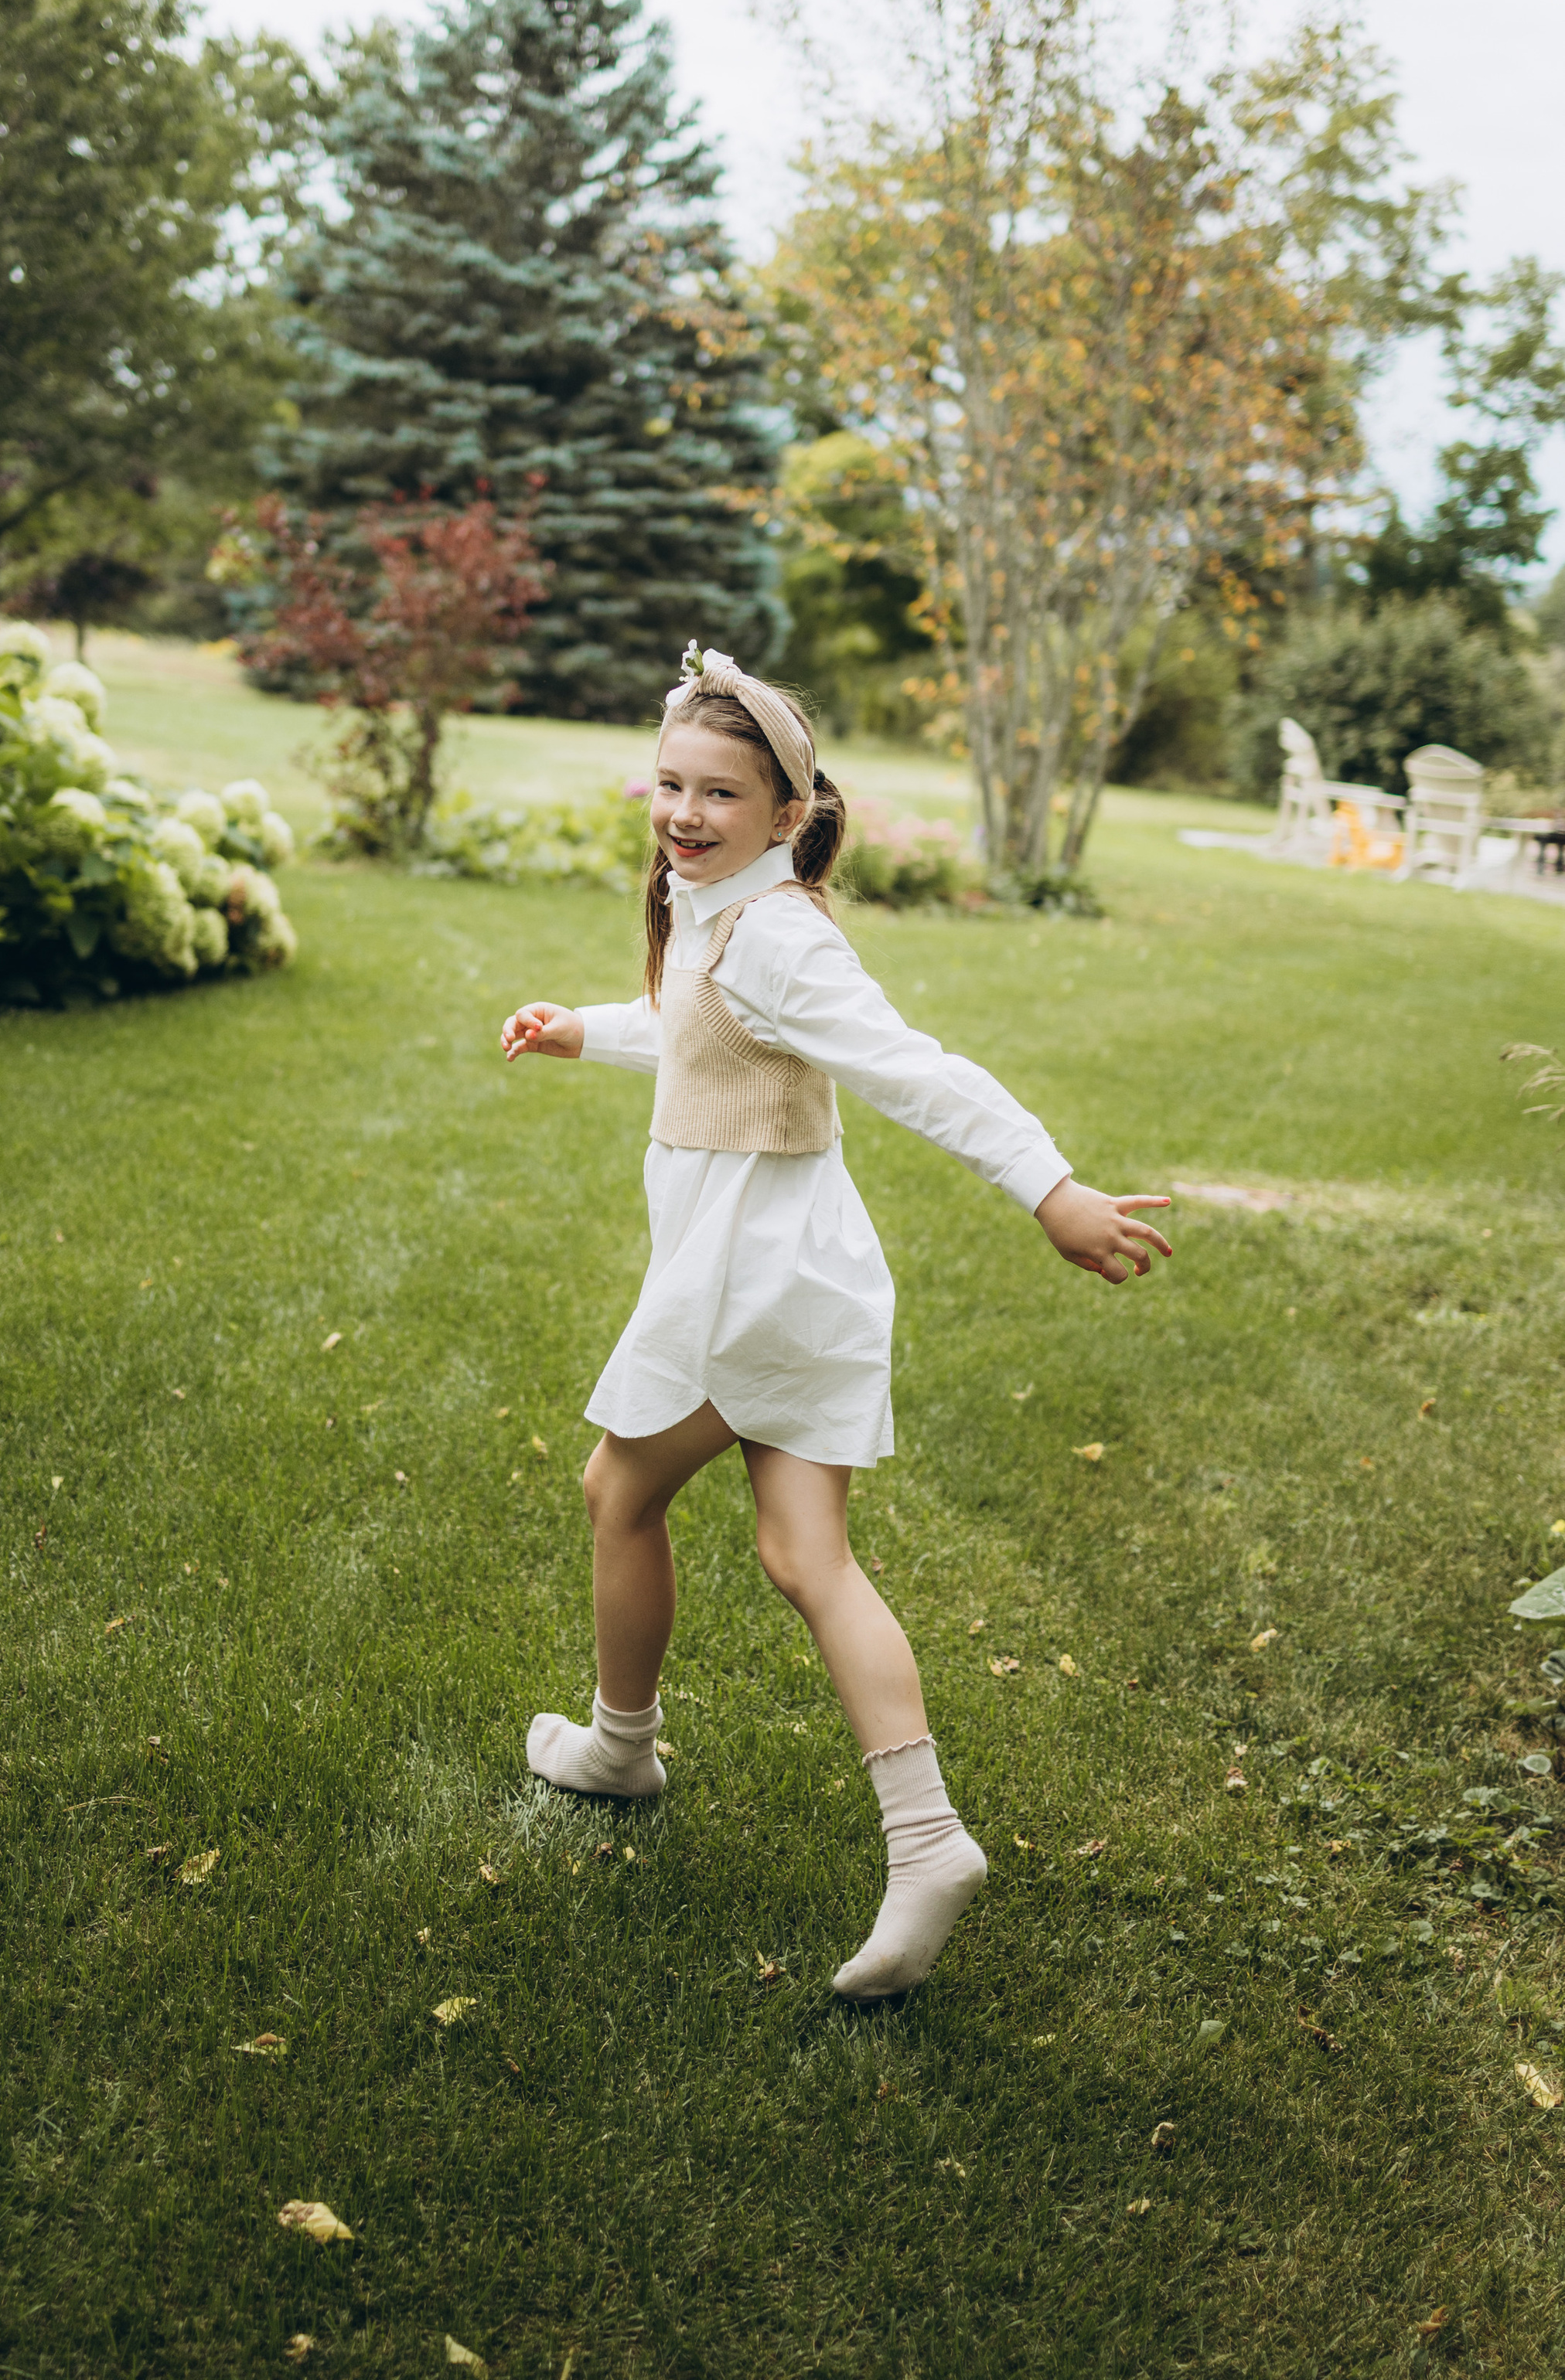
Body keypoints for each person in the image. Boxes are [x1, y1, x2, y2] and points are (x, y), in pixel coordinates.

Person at [500, 643, 1171, 1997]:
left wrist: (1050, 1189)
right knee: (806, 1555)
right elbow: (697, 1026)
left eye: (720, 795)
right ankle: (925, 1840)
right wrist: (587, 1030)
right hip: (800, 1278)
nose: (685, 814)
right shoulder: (721, 911)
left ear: (788, 815)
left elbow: (913, 1070)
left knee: (619, 1494)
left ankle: (622, 1750)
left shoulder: (782, 935)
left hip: (746, 1283)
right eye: (671, 785)